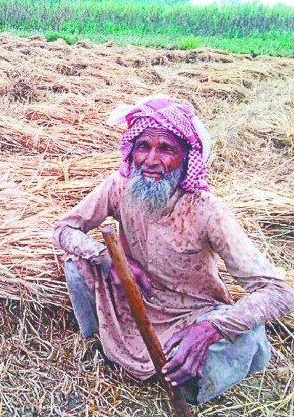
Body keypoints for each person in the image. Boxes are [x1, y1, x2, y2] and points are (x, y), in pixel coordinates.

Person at [51, 94, 294, 404]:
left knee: (248, 337)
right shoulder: (119, 186)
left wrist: (210, 329)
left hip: (188, 315)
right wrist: (108, 261)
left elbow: (279, 292)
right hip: (130, 297)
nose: (151, 161)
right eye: (143, 147)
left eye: (166, 149)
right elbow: (63, 229)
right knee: (77, 262)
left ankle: (186, 373)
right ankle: (101, 338)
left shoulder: (207, 211)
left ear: (186, 157)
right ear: (132, 151)